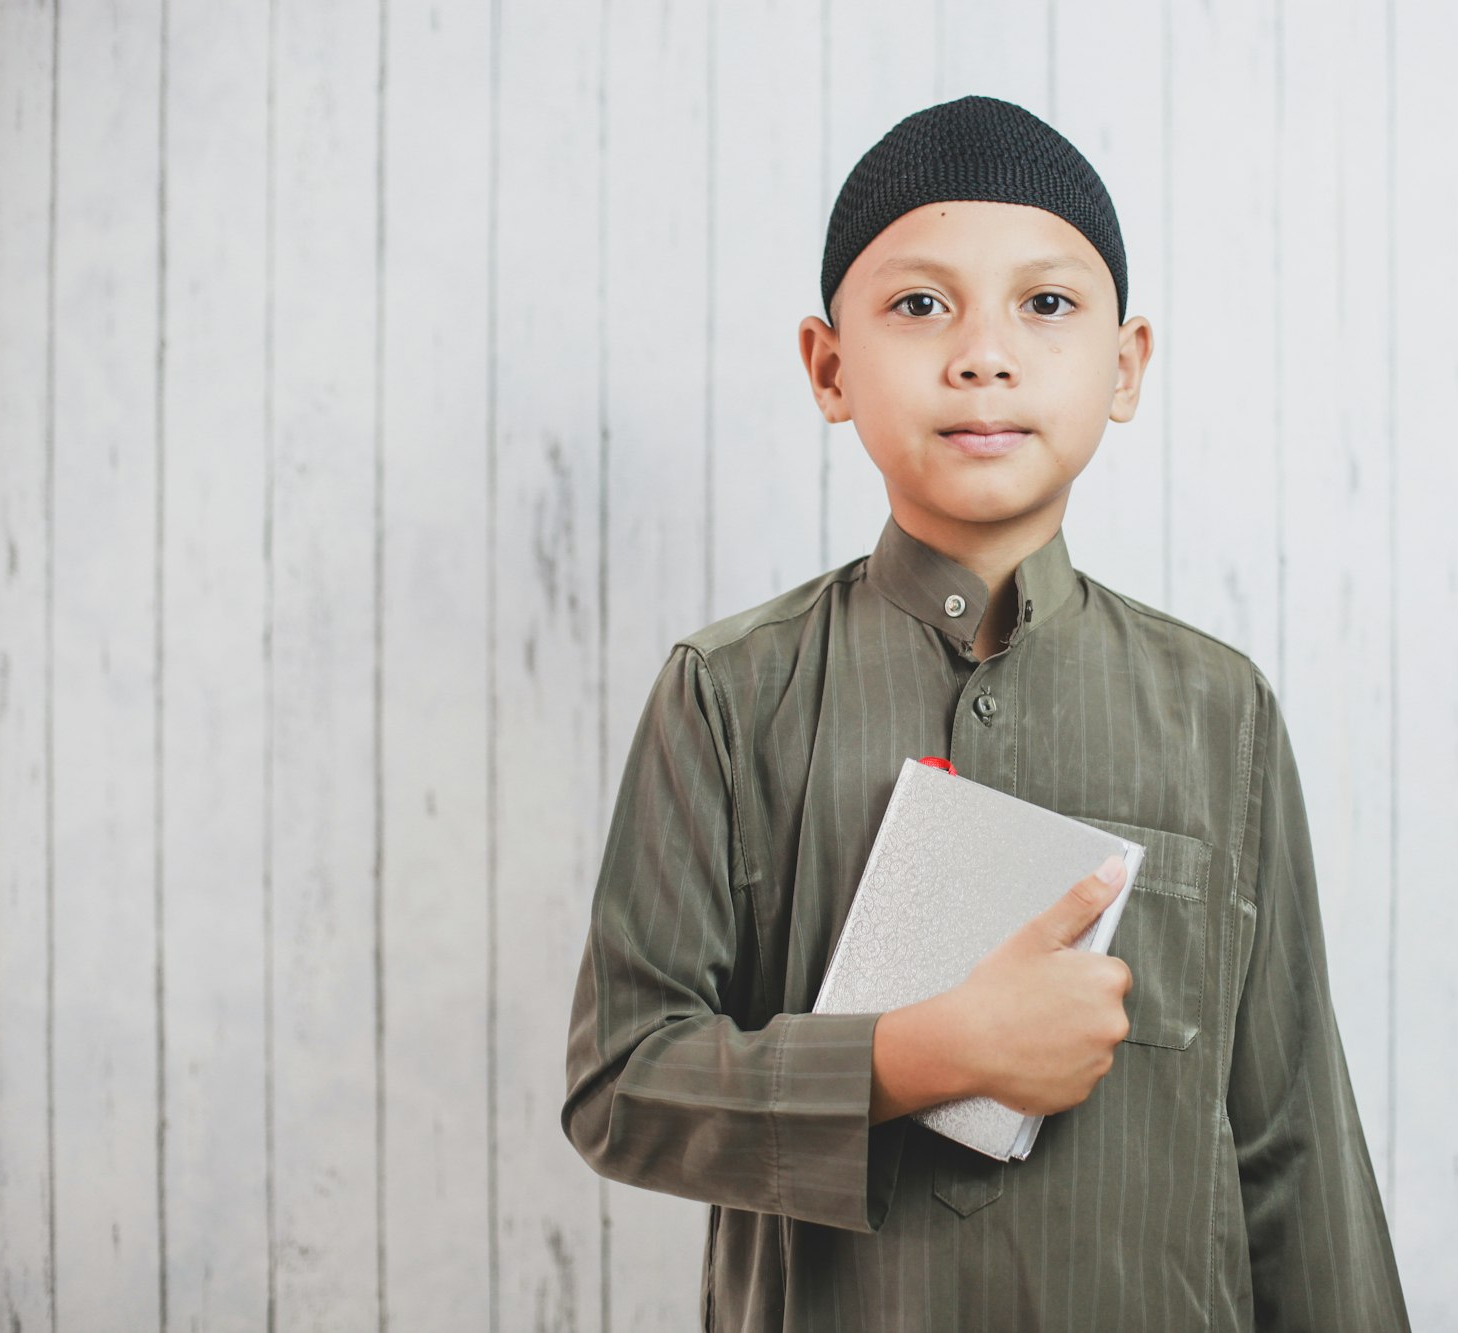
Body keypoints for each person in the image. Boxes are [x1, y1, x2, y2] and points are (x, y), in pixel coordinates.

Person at [561, 93, 1409, 1332]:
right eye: (918, 304)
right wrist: (917, 1056)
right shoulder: (729, 695)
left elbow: (1291, 1142)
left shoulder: (1216, 710)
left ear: (1124, 369)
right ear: (828, 366)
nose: (982, 353)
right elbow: (621, 1087)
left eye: (1046, 304)